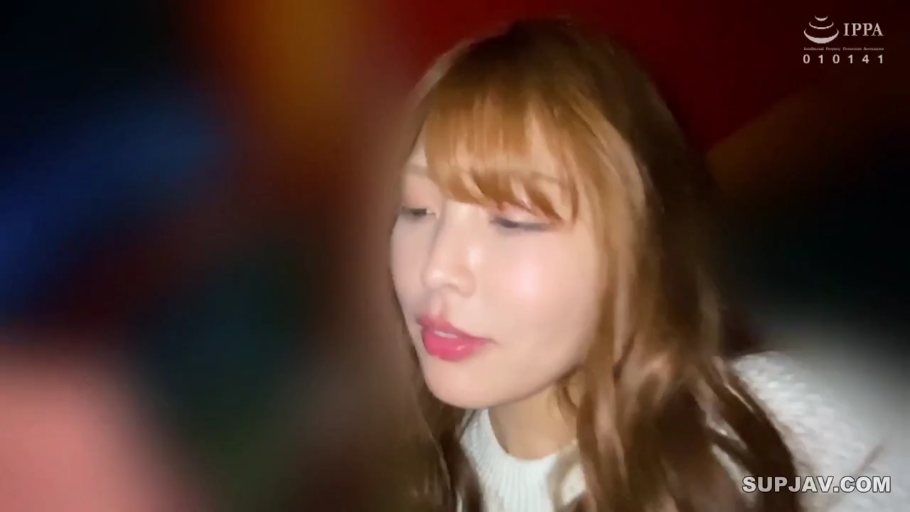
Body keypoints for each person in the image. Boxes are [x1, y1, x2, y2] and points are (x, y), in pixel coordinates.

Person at [387, 18, 902, 512]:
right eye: (416, 209)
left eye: (513, 220)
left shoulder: (748, 427)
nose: (436, 269)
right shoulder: (410, 464)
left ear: (638, 250)